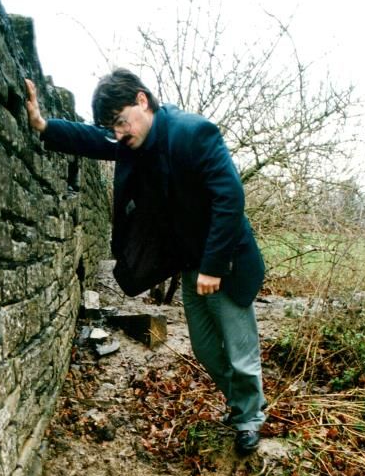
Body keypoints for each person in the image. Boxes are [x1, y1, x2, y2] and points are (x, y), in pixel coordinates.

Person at [24, 70, 266, 454]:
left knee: (240, 351)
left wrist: (213, 267)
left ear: (142, 101)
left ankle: (249, 418)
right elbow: (92, 138)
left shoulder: (193, 133)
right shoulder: (130, 141)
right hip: (192, 263)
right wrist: (43, 125)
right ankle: (241, 406)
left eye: (121, 121)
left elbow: (230, 200)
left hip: (226, 264)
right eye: (112, 126)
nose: (117, 132)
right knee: (205, 349)